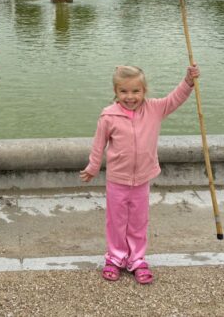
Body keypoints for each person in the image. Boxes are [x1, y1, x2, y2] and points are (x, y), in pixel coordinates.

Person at [80, 63, 200, 285]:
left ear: (144, 91)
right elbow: (99, 145)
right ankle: (115, 258)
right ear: (115, 92)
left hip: (142, 179)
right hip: (117, 179)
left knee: (138, 221)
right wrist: (92, 167)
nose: (130, 96)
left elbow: (175, 98)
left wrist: (188, 81)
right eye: (124, 91)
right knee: (116, 221)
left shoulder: (154, 109)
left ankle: (136, 259)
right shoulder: (108, 116)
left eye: (136, 91)